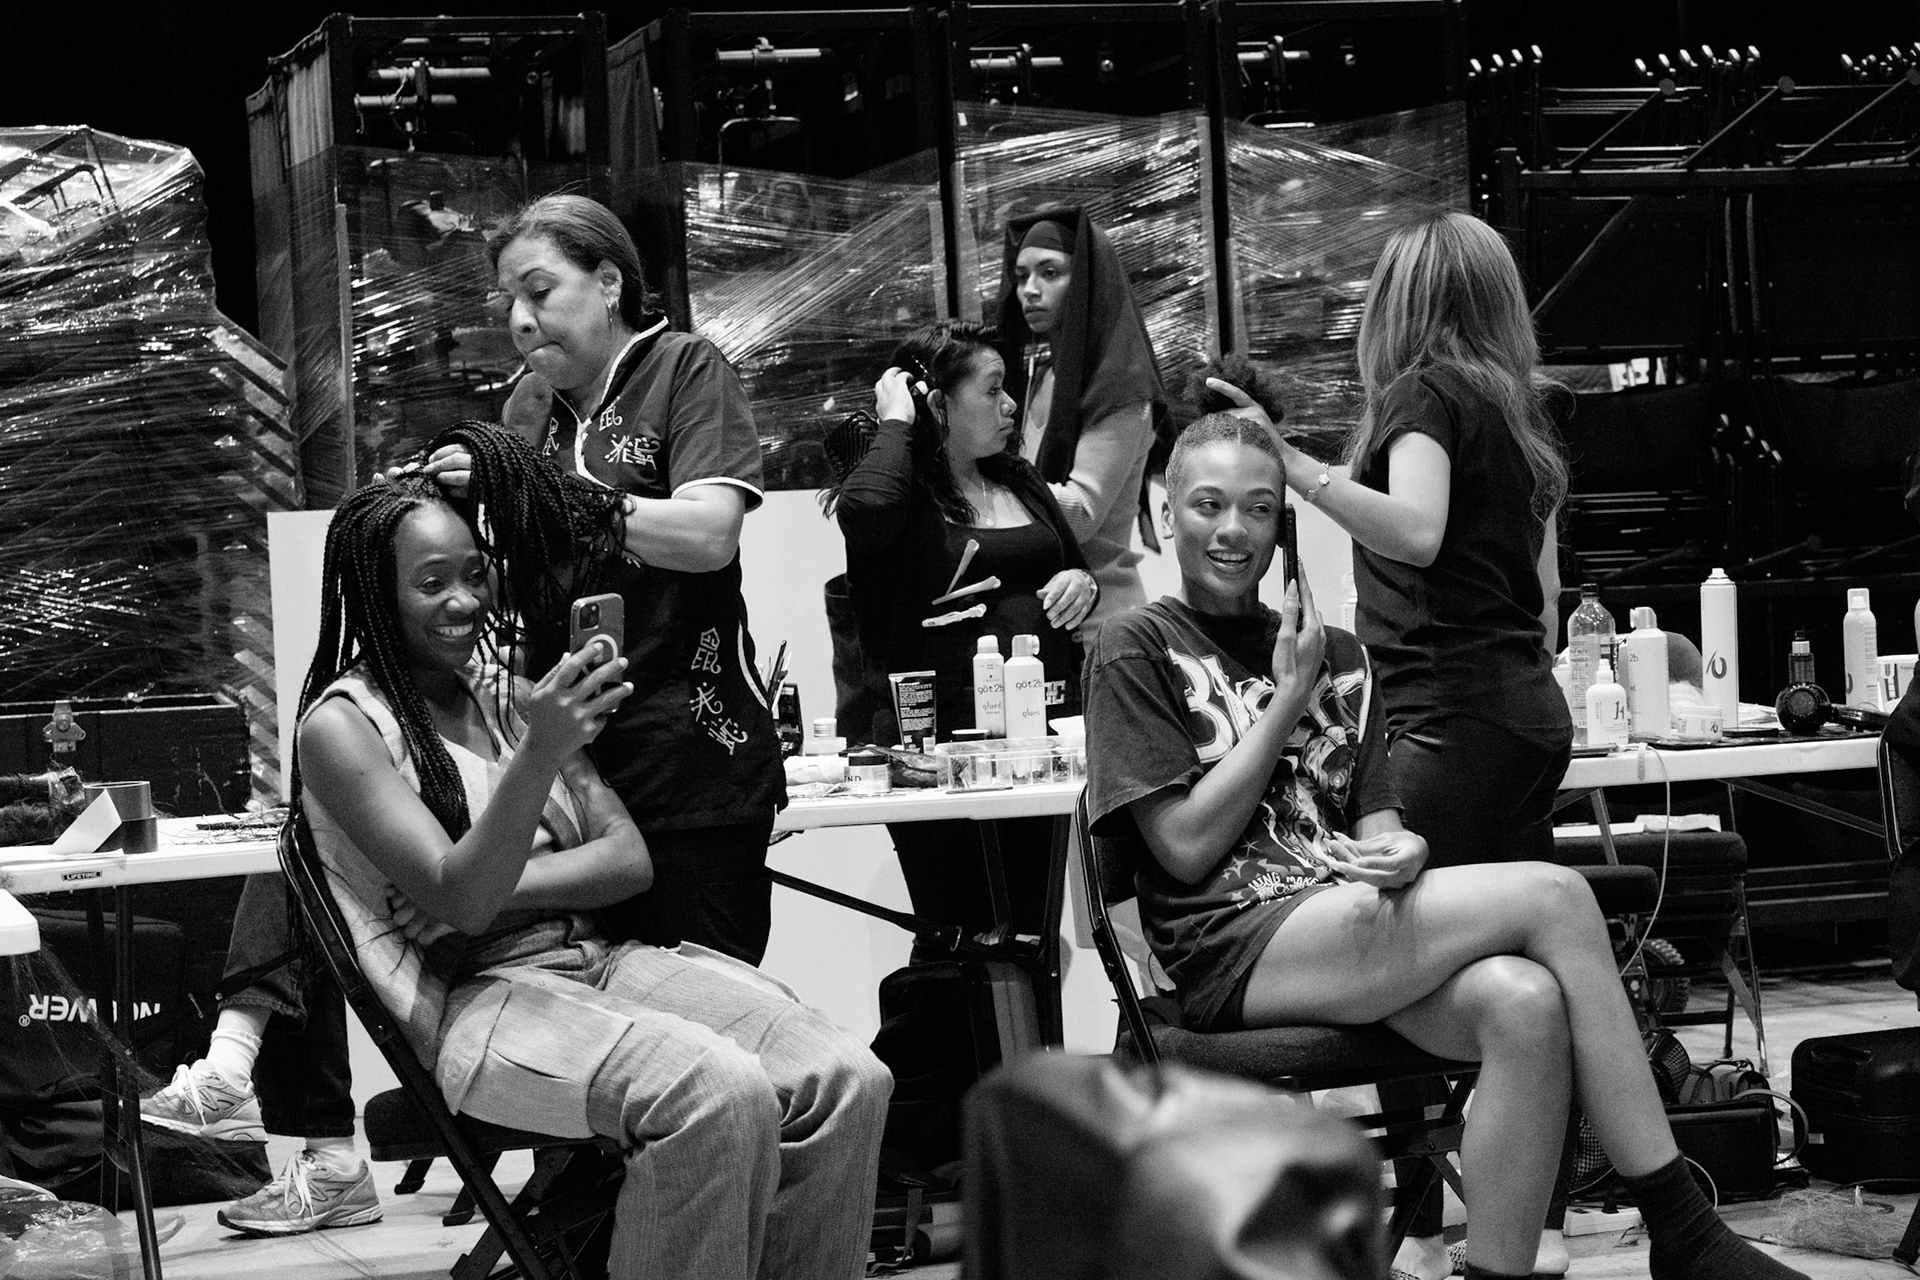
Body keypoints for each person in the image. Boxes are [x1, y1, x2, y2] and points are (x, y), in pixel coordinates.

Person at [1082, 414, 1808, 1280]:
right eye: (1208, 505)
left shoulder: (1341, 655)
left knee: (1525, 1004)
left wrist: (1404, 854)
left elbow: (1379, 828)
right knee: (1558, 896)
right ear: (1168, 515)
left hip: (1344, 924)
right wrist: (1286, 701)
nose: (1233, 529)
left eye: (1259, 508)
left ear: (1284, 526)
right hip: (1230, 946)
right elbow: (1182, 848)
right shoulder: (1136, 647)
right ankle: (1684, 1230)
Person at [292, 473, 888, 1277]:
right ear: (372, 593)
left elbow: (624, 861)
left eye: (474, 574)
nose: (464, 601)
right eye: (431, 584)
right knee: (714, 1091)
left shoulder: (510, 694)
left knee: (847, 1078)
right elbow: (467, 904)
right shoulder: (342, 728)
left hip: (598, 962)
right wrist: (538, 760)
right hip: (475, 1002)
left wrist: (492, 886)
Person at [1208, 211, 1575, 1275]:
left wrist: (1293, 464)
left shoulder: (1423, 395)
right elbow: (1548, 599)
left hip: (1441, 716)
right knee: (1524, 969)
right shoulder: (1522, 414)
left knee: (1395, 951)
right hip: (1525, 715)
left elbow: (1414, 531)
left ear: (1402, 301)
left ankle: (1419, 1226)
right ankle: (1537, 1226)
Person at [421, 192, 785, 967]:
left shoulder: (684, 368)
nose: (521, 321)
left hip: (689, 762)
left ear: (610, 282)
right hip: (570, 777)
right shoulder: (528, 409)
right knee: (594, 1005)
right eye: (508, 302)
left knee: (707, 1006)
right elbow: (522, 580)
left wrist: (544, 493)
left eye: (540, 291)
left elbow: (709, 536)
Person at [828, 320, 1098, 949]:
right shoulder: (899, 492)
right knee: (961, 936)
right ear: (937, 402)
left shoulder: (1018, 478)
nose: (1011, 405)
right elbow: (864, 513)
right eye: (993, 389)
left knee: (1032, 936)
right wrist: (897, 421)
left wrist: (1082, 585)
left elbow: (1075, 567)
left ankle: (1029, 1022)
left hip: (1039, 743)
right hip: (934, 752)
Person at [998, 206, 1170, 636]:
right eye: (1021, 276)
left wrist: (985, 479)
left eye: (1049, 273)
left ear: (1085, 282)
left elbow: (1081, 514)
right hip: (1043, 621)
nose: (1029, 290)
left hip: (1102, 628)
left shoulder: (1121, 389)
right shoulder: (1040, 376)